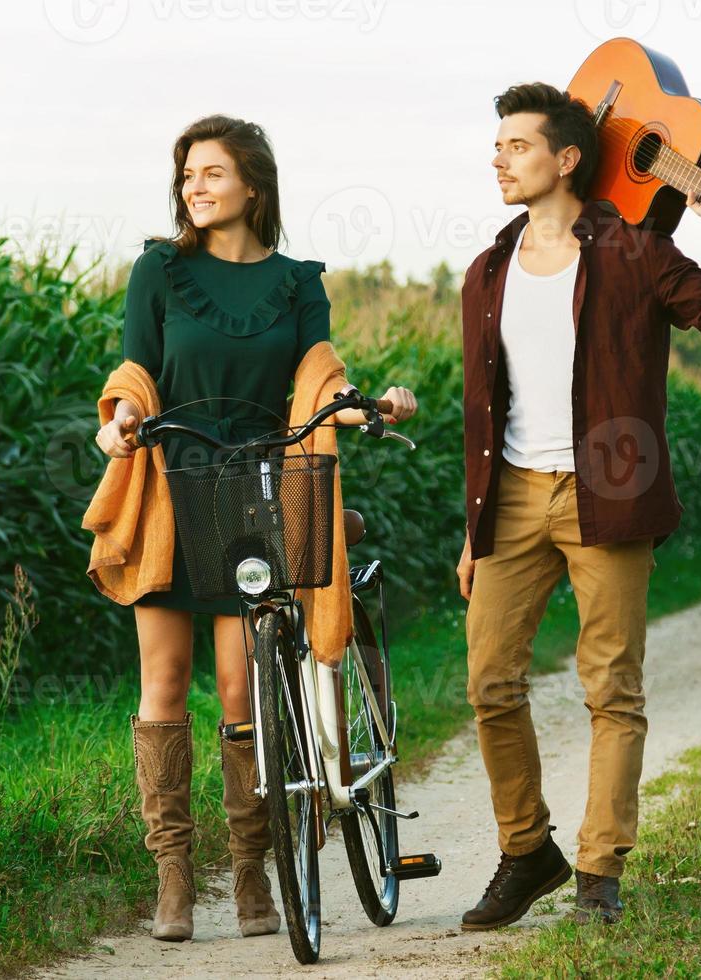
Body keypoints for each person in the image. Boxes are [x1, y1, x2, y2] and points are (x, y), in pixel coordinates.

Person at [93, 114, 417, 942]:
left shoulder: (298, 281)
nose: (194, 188)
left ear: (254, 186)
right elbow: (138, 369)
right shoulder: (160, 271)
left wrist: (369, 401)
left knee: (243, 692)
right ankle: (172, 879)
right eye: (188, 176)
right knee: (163, 686)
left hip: (259, 493)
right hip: (173, 488)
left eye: (210, 174)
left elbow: (320, 375)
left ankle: (248, 872)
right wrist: (121, 418)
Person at [454, 82, 701, 930]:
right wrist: (473, 529)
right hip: (513, 497)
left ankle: (598, 873)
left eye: (516, 146)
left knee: (612, 690)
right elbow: (482, 411)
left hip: (610, 493)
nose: (498, 159)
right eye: (497, 146)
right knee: (489, 682)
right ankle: (528, 853)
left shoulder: (634, 251)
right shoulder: (487, 271)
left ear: (566, 159)